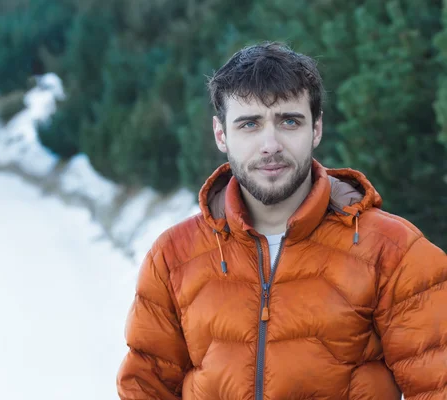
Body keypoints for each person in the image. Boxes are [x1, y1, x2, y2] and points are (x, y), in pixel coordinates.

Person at [116, 42, 447, 399]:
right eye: (249, 124)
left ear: (316, 129)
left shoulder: (393, 251)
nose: (270, 144)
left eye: (289, 121)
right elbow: (146, 387)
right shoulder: (173, 255)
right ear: (220, 134)